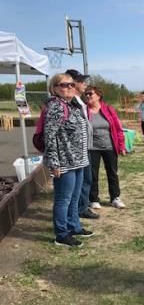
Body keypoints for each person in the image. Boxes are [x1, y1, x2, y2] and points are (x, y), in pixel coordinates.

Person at [43, 73, 93, 247]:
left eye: (72, 84)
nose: (70, 87)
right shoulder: (56, 106)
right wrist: (54, 163)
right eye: (65, 85)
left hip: (79, 160)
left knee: (74, 197)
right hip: (65, 162)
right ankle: (62, 234)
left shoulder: (71, 105)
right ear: (54, 88)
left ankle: (74, 226)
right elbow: (49, 137)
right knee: (63, 199)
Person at [65, 69, 100, 220]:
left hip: (86, 145)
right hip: (79, 147)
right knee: (83, 180)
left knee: (87, 179)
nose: (85, 84)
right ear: (73, 83)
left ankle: (81, 207)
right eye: (81, 81)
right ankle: (80, 209)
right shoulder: (71, 101)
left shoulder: (80, 101)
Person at [85, 86, 127, 210]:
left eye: (90, 94)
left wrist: (121, 146)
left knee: (113, 173)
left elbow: (118, 129)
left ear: (98, 95)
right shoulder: (84, 110)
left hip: (109, 146)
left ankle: (115, 198)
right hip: (92, 147)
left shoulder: (108, 109)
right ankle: (93, 199)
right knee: (93, 174)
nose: (87, 96)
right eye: (86, 94)